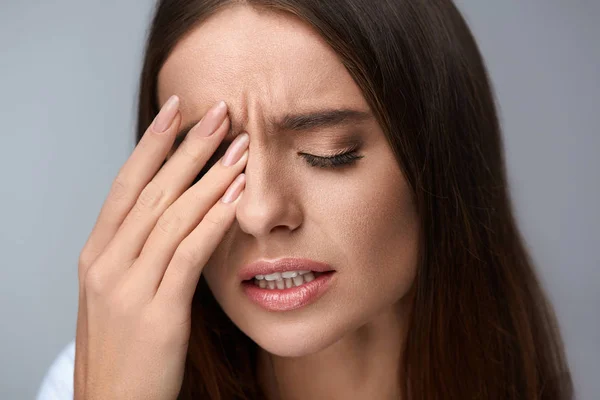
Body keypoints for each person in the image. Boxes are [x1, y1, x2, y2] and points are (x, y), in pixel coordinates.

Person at [37, 0, 574, 399]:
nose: (259, 212)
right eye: (209, 163)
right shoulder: (88, 385)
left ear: (441, 158)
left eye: (329, 153)